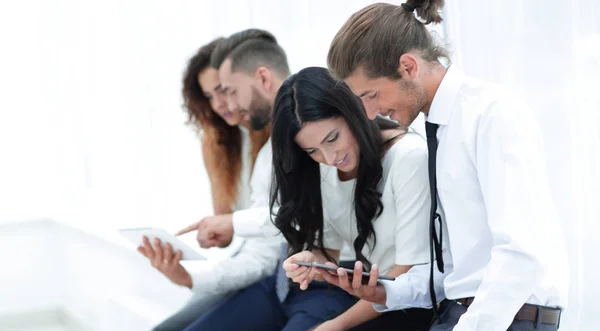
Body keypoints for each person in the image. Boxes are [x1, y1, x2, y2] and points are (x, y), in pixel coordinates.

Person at [323, 1, 570, 330]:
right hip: (468, 313)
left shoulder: (491, 113)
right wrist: (386, 291)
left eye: (371, 95)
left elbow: (522, 252)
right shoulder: (440, 129)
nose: (370, 114)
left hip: (508, 318)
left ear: (408, 66)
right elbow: (458, 271)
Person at [181, 32, 357, 331]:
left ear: (263, 77)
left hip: (333, 282)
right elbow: (268, 244)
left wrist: (232, 223)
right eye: (216, 95)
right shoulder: (266, 154)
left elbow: (308, 214)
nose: (228, 105)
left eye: (229, 91)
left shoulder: (326, 136)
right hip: (286, 281)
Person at [272, 67, 433, 330]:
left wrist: (336, 325)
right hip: (372, 297)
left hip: (413, 304)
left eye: (333, 138)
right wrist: (311, 262)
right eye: (313, 150)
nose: (330, 157)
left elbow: (407, 275)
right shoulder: (327, 169)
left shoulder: (409, 157)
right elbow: (331, 251)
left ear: (353, 112)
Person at [137, 38, 278, 331]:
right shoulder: (217, 142)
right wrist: (210, 235)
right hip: (251, 256)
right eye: (209, 96)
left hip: (272, 261)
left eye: (224, 91)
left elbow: (267, 233)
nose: (220, 104)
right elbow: (227, 227)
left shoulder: (275, 136)